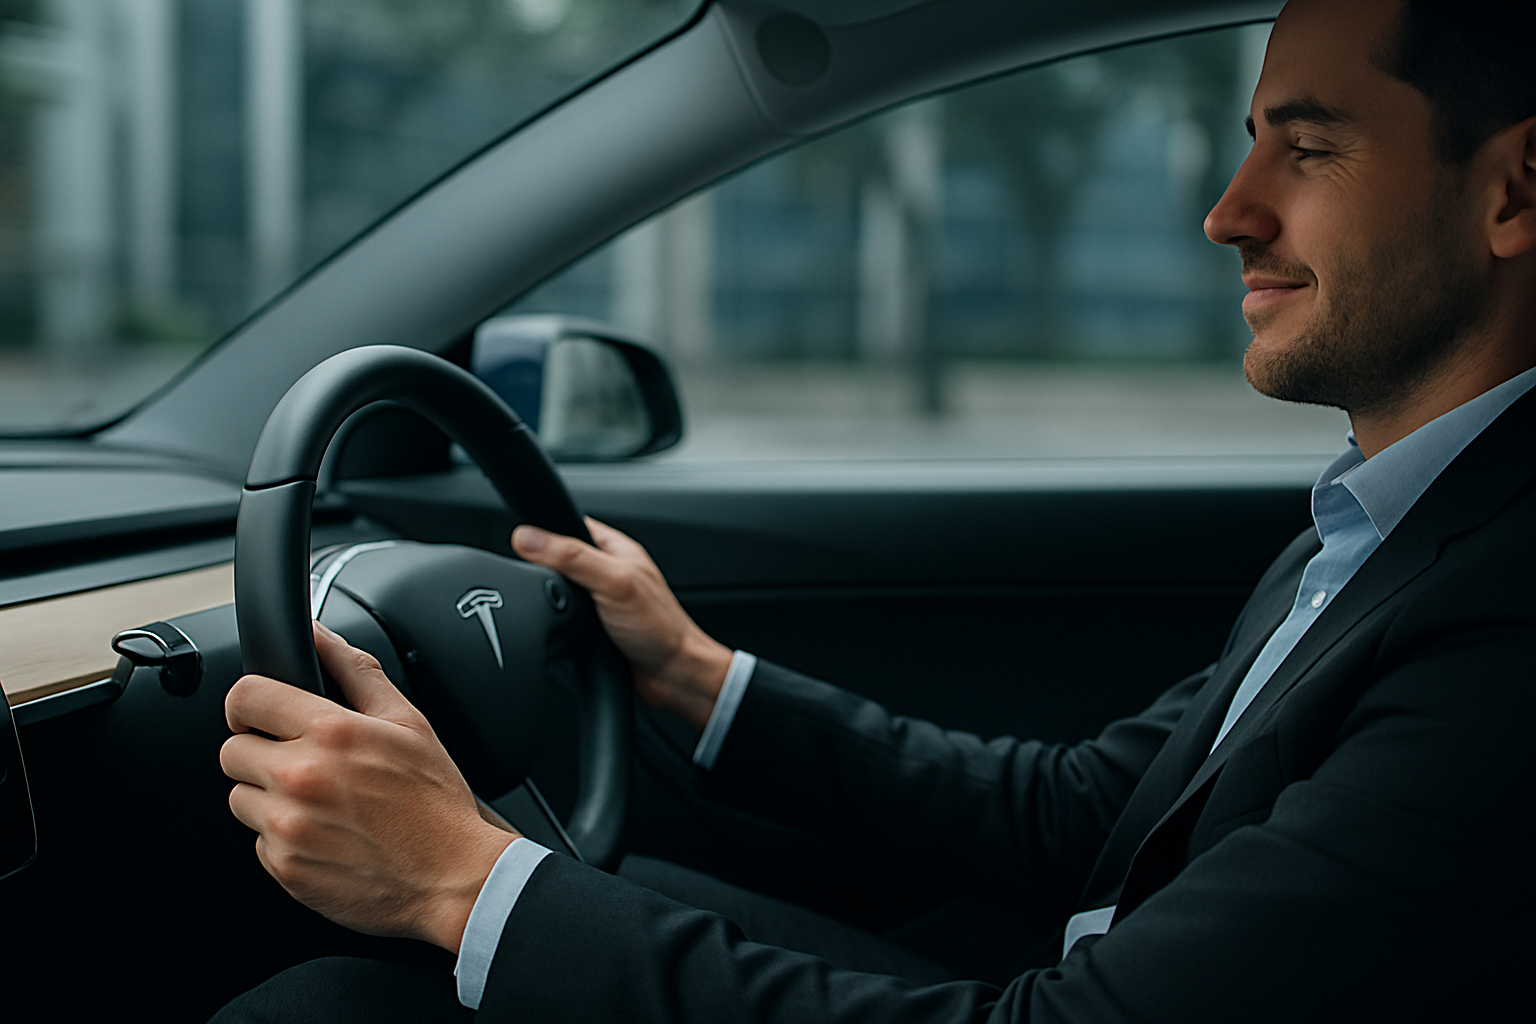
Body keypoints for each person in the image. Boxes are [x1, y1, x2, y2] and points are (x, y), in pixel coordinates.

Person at [213, 0, 1536, 1019]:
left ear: (1514, 192)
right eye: (1251, 144)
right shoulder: (1383, 526)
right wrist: (692, 671)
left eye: (1309, 148)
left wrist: (461, 879)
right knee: (595, 899)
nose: (1228, 213)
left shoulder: (1504, 628)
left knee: (326, 1010)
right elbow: (1083, 812)